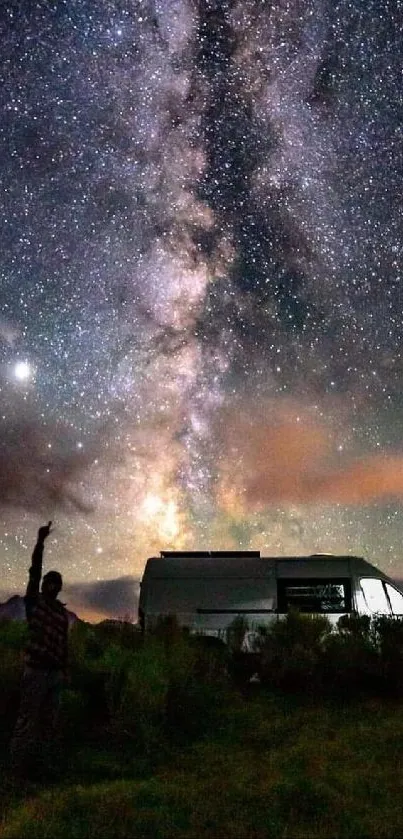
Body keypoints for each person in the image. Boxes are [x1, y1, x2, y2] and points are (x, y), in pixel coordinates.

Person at [10, 521, 69, 780]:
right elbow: (34, 571)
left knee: (48, 724)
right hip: (35, 671)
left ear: (60, 588)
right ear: (43, 585)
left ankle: (40, 768)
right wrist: (40, 542)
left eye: (56, 583)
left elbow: (63, 644)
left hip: (54, 675)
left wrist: (65, 670)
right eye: (49, 582)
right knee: (26, 722)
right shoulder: (35, 602)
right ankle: (16, 773)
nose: (52, 586)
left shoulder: (60, 613)